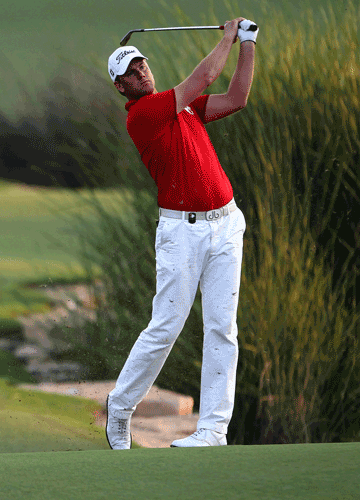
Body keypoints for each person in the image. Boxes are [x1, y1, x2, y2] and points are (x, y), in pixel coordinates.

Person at [104, 18, 257, 448]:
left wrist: (248, 42)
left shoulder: (184, 108)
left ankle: (212, 430)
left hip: (226, 225)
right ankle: (120, 407)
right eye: (130, 73)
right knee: (166, 325)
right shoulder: (145, 114)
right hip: (181, 235)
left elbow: (237, 97)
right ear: (121, 88)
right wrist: (228, 34)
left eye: (141, 65)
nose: (140, 73)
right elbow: (206, 75)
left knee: (223, 329)